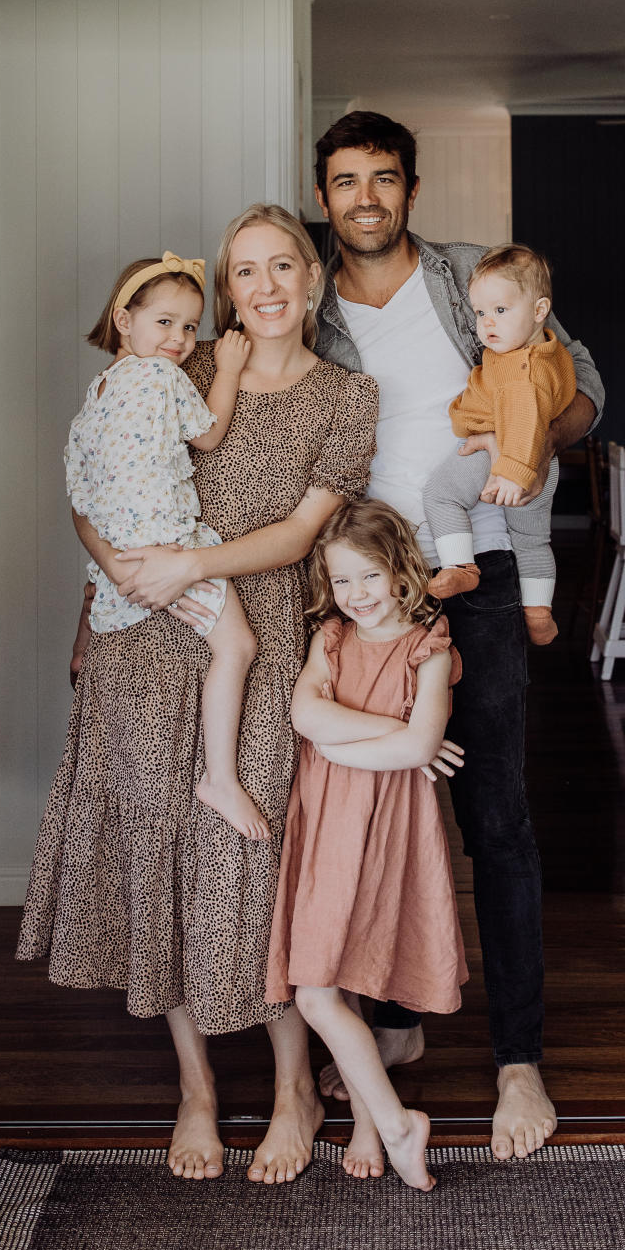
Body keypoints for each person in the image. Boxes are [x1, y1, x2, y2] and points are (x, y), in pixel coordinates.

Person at [17, 204, 379, 1187]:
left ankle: (295, 1089)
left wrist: (187, 568)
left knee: (250, 872)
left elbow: (303, 535)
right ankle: (197, 1092)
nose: (262, 288)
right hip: (139, 636)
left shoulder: (346, 396)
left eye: (281, 268)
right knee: (159, 862)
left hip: (254, 642)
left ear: (312, 280)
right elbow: (94, 489)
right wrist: (115, 575)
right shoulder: (169, 370)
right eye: (244, 272)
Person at [312, 110, 605, 1161]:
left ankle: (518, 1059)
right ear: (324, 196)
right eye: (346, 181)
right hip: (363, 586)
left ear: (411, 189)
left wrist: (524, 439)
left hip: (477, 572)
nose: (365, 198)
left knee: (494, 813)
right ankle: (394, 1024)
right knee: (378, 813)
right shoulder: (304, 304)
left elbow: (587, 395)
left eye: (383, 178)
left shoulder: (471, 279)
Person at [266, 499, 466, 1192]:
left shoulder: (428, 644)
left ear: (401, 568)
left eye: (368, 577)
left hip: (384, 827)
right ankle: (387, 1122)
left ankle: (383, 1124)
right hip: (325, 820)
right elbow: (304, 714)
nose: (355, 596)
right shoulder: (331, 636)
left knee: (347, 974)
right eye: (342, 581)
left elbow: (421, 742)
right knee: (320, 984)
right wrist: (393, 739)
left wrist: (340, 738)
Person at [66, 250, 266, 839]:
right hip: (168, 545)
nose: (179, 339)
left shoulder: (97, 392)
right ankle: (221, 779)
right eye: (165, 322)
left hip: (119, 558)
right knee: (238, 647)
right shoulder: (159, 375)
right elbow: (208, 435)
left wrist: (108, 563)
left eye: (189, 326)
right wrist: (226, 367)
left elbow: (79, 493)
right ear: (124, 321)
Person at [423, 243, 576, 647]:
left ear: (540, 310)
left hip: (507, 458)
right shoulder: (546, 350)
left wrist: (512, 471)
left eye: (501, 311)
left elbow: (525, 417)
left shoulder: (518, 367)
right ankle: (539, 613)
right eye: (480, 313)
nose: (487, 323)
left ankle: (460, 566)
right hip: (541, 461)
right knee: (532, 539)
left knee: (441, 495)